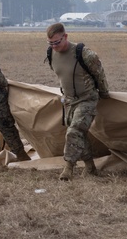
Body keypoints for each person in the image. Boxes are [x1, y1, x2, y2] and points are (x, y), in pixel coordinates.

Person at [45, 23, 111, 181]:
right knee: (80, 134)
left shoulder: (85, 54)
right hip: (69, 101)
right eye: (50, 43)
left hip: (87, 99)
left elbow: (100, 75)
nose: (54, 46)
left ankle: (68, 168)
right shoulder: (51, 54)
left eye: (57, 42)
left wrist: (104, 93)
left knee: (74, 131)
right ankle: (90, 167)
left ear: (65, 36)